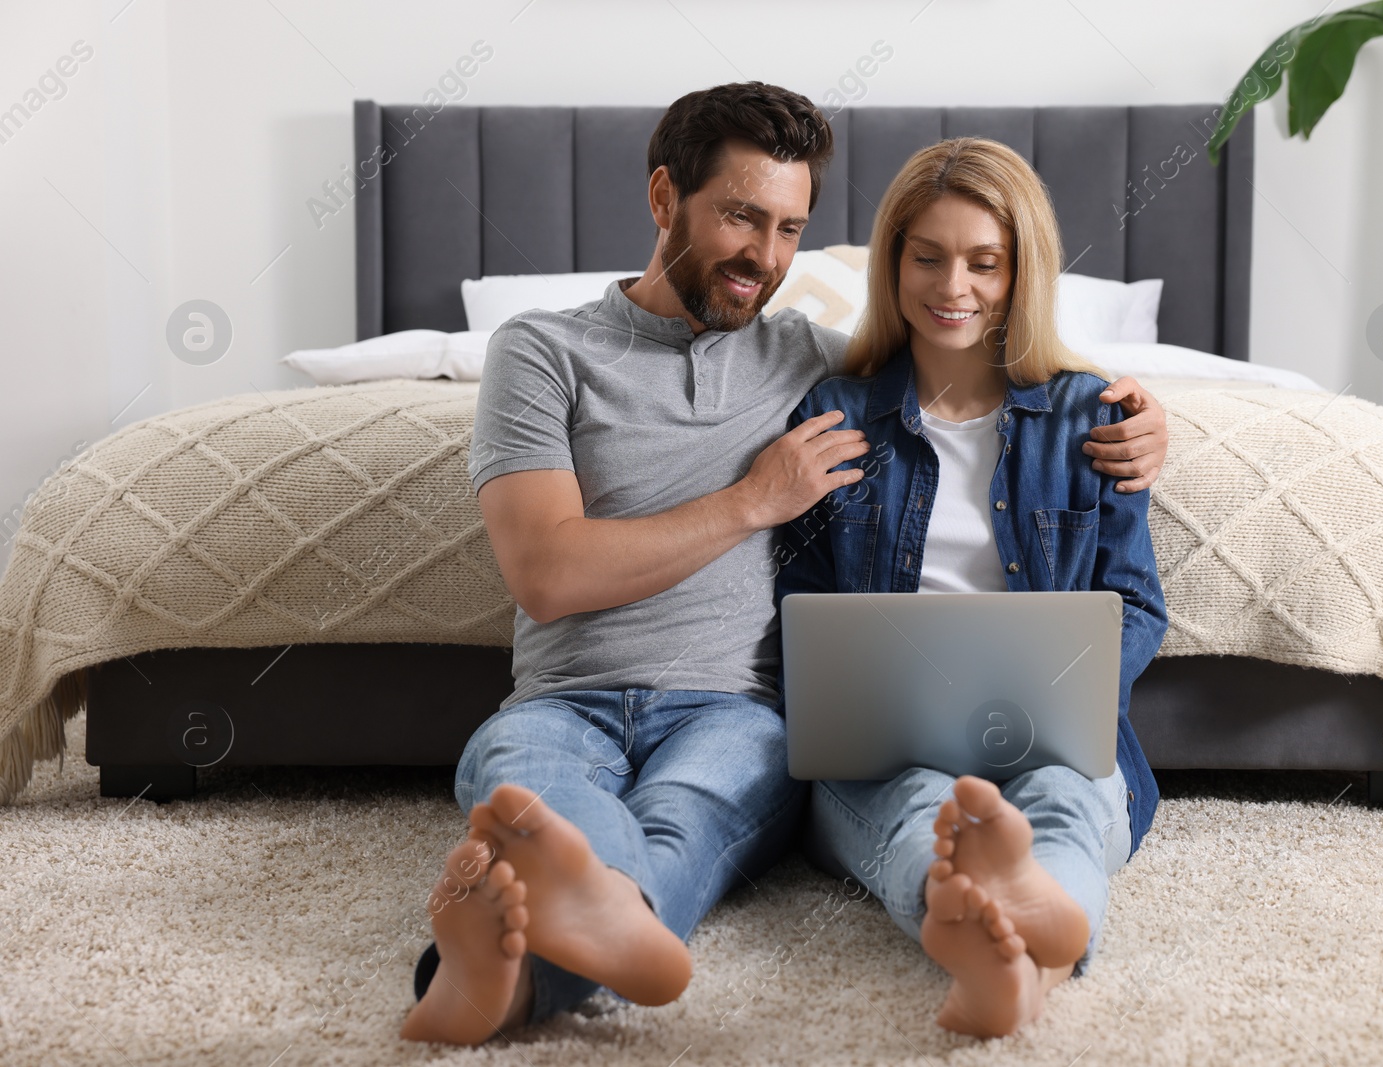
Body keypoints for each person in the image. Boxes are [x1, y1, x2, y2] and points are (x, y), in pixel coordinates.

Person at [400, 84, 1171, 1045]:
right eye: (739, 216)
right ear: (662, 197)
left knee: (708, 809)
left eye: (790, 229)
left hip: (734, 709)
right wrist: (754, 499)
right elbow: (549, 574)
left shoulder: (818, 365)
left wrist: (1139, 411)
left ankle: (513, 955)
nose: (764, 257)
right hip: (577, 695)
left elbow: (960, 357)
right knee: (531, 785)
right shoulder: (562, 353)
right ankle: (579, 915)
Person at [773, 136, 1169, 1038]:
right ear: (893, 263)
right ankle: (1023, 956)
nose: (954, 286)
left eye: (985, 262)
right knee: (917, 807)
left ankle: (1013, 952)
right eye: (928, 257)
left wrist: (1066, 698)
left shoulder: (1095, 416)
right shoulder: (832, 414)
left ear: (1021, 271)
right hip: (881, 749)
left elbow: (1136, 603)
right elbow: (793, 600)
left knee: (1065, 798)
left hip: (1055, 740)